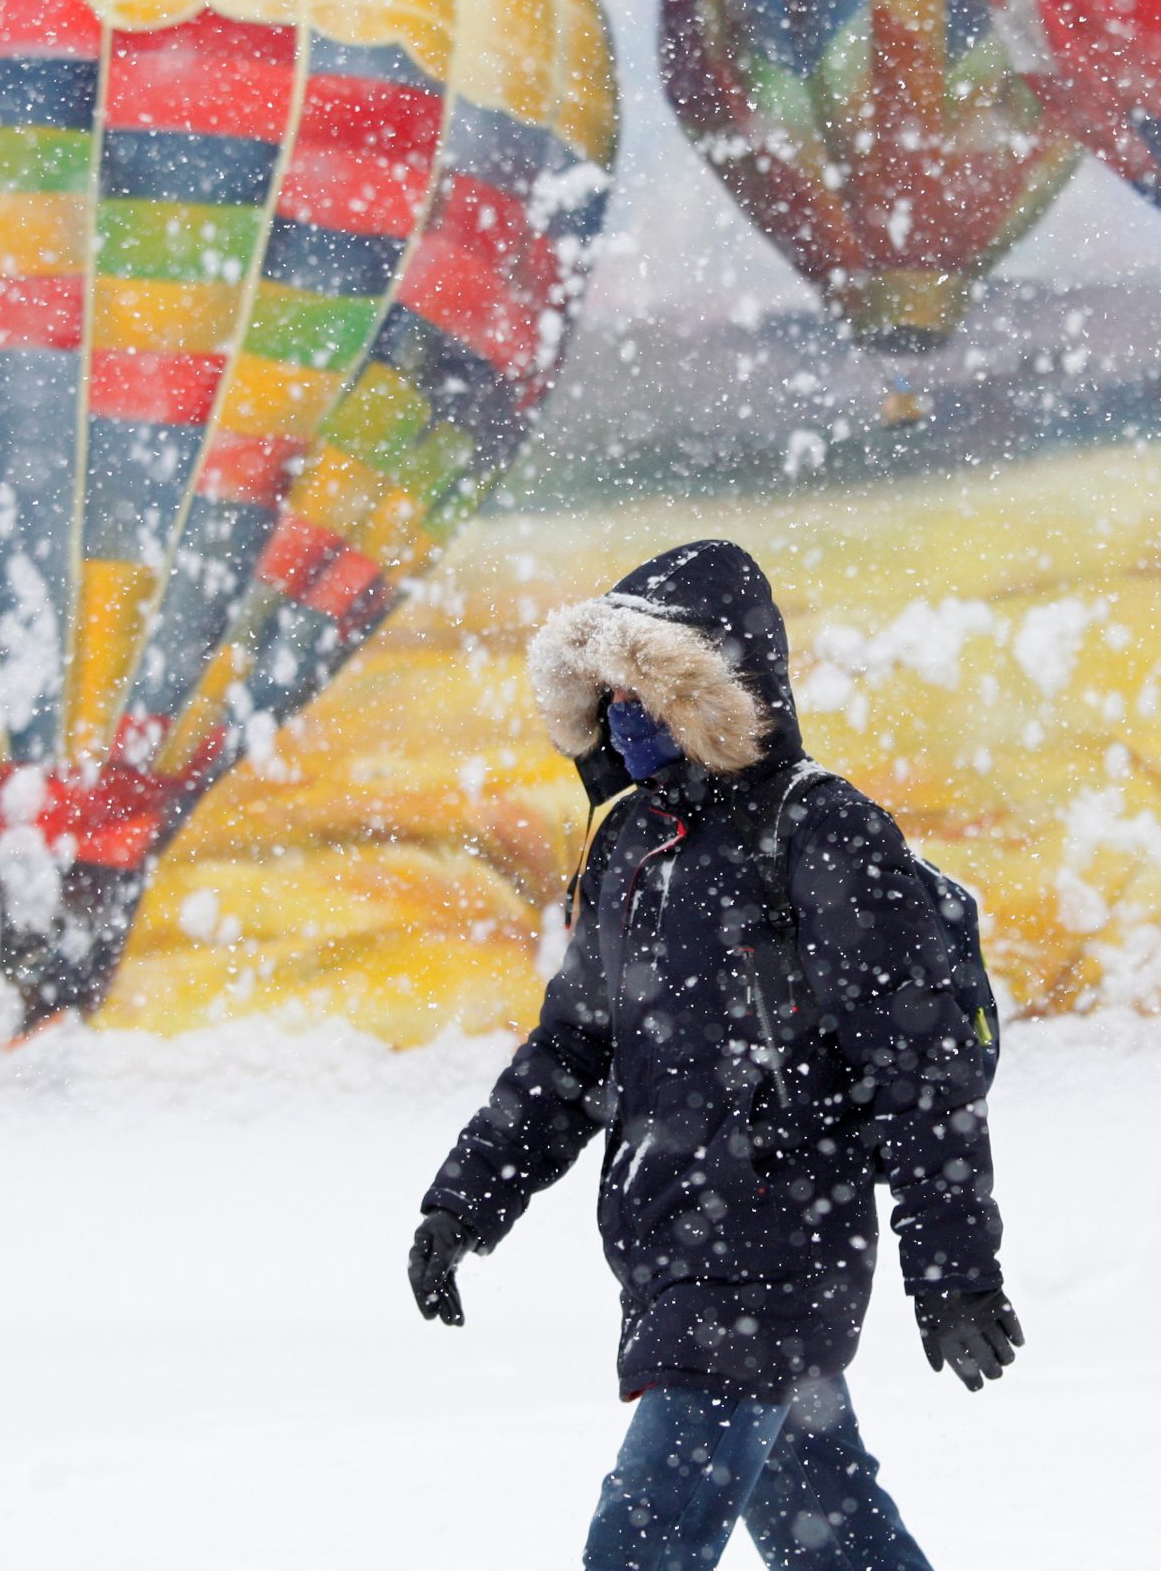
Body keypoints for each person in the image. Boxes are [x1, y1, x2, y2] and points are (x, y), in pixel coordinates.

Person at [407, 540, 1021, 1571]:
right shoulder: (631, 846)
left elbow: (920, 1074)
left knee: (641, 1541)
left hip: (780, 1251)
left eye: (649, 692)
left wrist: (953, 1271)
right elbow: (572, 1051)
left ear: (721, 691)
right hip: (668, 1250)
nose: (627, 720)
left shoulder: (821, 831)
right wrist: (465, 1202)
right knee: (827, 1533)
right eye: (611, 696)